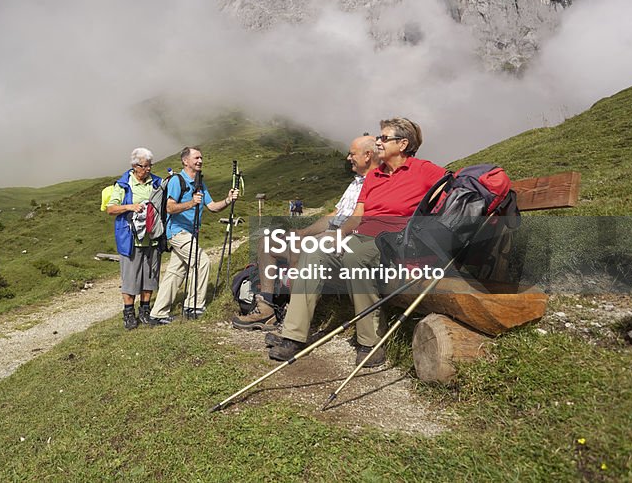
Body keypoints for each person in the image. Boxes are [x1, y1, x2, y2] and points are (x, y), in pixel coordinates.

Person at [268, 118, 445, 366]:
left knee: (356, 255)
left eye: (384, 138)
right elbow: (357, 216)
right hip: (362, 236)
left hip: (396, 242)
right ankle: (293, 336)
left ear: (403, 144)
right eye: (379, 137)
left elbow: (455, 194)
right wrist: (337, 237)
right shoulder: (375, 177)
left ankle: (370, 342)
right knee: (314, 254)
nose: (379, 142)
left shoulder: (424, 170)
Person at [232, 135, 379, 331]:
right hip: (330, 234)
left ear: (368, 155)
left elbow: (361, 220)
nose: (348, 158)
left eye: (352, 154)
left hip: (348, 239)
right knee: (267, 243)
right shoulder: (355, 183)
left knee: (298, 248)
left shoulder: (378, 183)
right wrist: (304, 231)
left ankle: (294, 317)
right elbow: (333, 215)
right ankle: (266, 308)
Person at [148, 146, 239, 323]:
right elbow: (169, 207)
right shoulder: (177, 181)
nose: (200, 161)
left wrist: (228, 200)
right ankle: (194, 306)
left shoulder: (199, 182)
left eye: (201, 158)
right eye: (196, 158)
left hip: (190, 234)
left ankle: (157, 313)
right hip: (177, 232)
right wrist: (191, 203)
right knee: (202, 262)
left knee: (175, 273)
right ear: (185, 161)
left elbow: (212, 207)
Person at [106, 148, 163, 330]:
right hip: (131, 239)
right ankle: (129, 314)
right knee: (130, 279)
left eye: (149, 166)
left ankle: (145, 312)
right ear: (134, 166)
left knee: (150, 277)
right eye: (144, 166)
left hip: (152, 238)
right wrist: (131, 206)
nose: (147, 170)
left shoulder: (156, 182)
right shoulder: (124, 184)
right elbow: (111, 209)